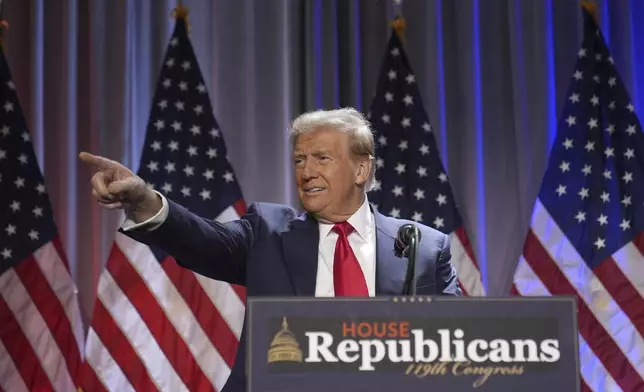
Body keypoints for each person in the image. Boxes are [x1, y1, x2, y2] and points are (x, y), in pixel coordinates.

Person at [80, 107, 461, 392]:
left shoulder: (422, 248)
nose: (306, 171)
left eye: (321, 158)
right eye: (299, 160)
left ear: (361, 170)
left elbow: (457, 349)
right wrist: (144, 199)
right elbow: (200, 240)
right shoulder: (268, 232)